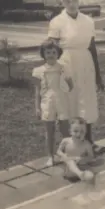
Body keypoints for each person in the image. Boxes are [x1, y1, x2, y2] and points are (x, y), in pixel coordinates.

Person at [48, 0, 104, 155]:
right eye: (67, 1)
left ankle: (89, 142)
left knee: (86, 103)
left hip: (86, 65)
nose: (71, 4)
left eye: (74, 0)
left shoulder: (88, 21)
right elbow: (52, 50)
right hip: (67, 66)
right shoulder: (57, 22)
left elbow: (92, 48)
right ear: (62, 3)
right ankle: (70, 145)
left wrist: (98, 76)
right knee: (69, 105)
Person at [32, 39, 73, 167]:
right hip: (47, 102)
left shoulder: (63, 68)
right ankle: (51, 156)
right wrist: (37, 108)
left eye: (53, 52)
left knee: (65, 130)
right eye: (48, 52)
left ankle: (68, 154)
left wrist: (66, 86)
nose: (50, 55)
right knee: (49, 131)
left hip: (61, 100)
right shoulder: (39, 70)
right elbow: (37, 91)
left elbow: (71, 86)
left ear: (58, 53)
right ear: (43, 54)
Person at [56, 117, 96, 183]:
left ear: (85, 132)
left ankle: (82, 175)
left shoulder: (87, 144)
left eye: (82, 131)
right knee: (70, 161)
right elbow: (58, 151)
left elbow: (91, 157)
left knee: (91, 176)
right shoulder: (66, 141)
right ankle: (79, 174)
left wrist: (82, 159)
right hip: (70, 171)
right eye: (76, 131)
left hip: (82, 167)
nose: (79, 134)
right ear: (70, 131)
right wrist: (64, 155)